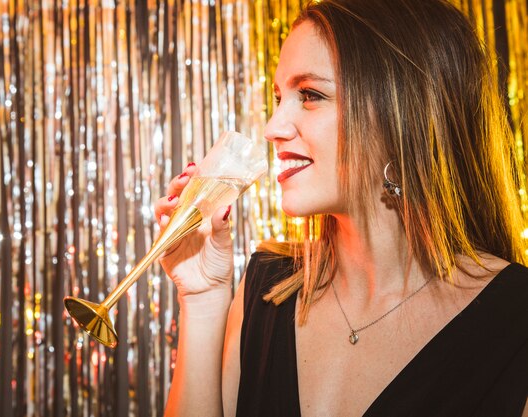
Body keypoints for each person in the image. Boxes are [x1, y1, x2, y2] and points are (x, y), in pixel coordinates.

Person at [155, 0, 528, 415]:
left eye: (310, 95)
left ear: (401, 113)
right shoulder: (264, 287)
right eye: (279, 97)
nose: (272, 127)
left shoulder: (515, 320)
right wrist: (203, 299)